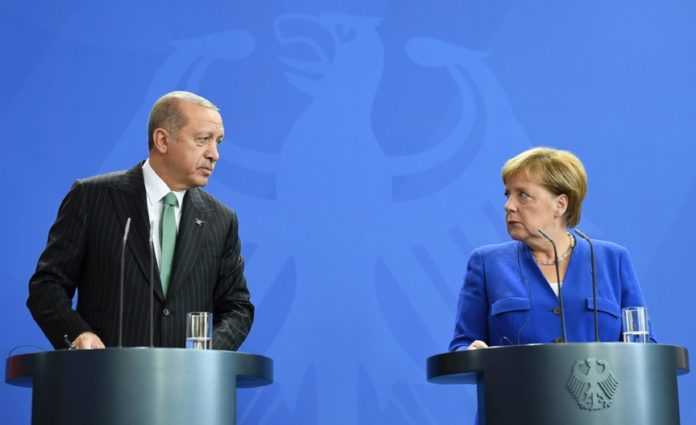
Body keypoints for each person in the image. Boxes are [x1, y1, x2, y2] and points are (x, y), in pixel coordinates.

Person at [27, 91, 254, 350]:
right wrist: (79, 334)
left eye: (218, 142)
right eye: (203, 140)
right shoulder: (92, 198)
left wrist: (207, 356)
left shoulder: (221, 220)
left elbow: (238, 307)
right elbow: (47, 286)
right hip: (106, 371)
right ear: (162, 140)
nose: (214, 154)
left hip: (188, 375)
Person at [450, 147, 652, 350]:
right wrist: (472, 353)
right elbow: (462, 344)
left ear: (560, 205)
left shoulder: (613, 260)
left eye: (523, 195)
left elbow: (645, 347)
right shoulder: (487, 263)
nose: (508, 205)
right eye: (507, 194)